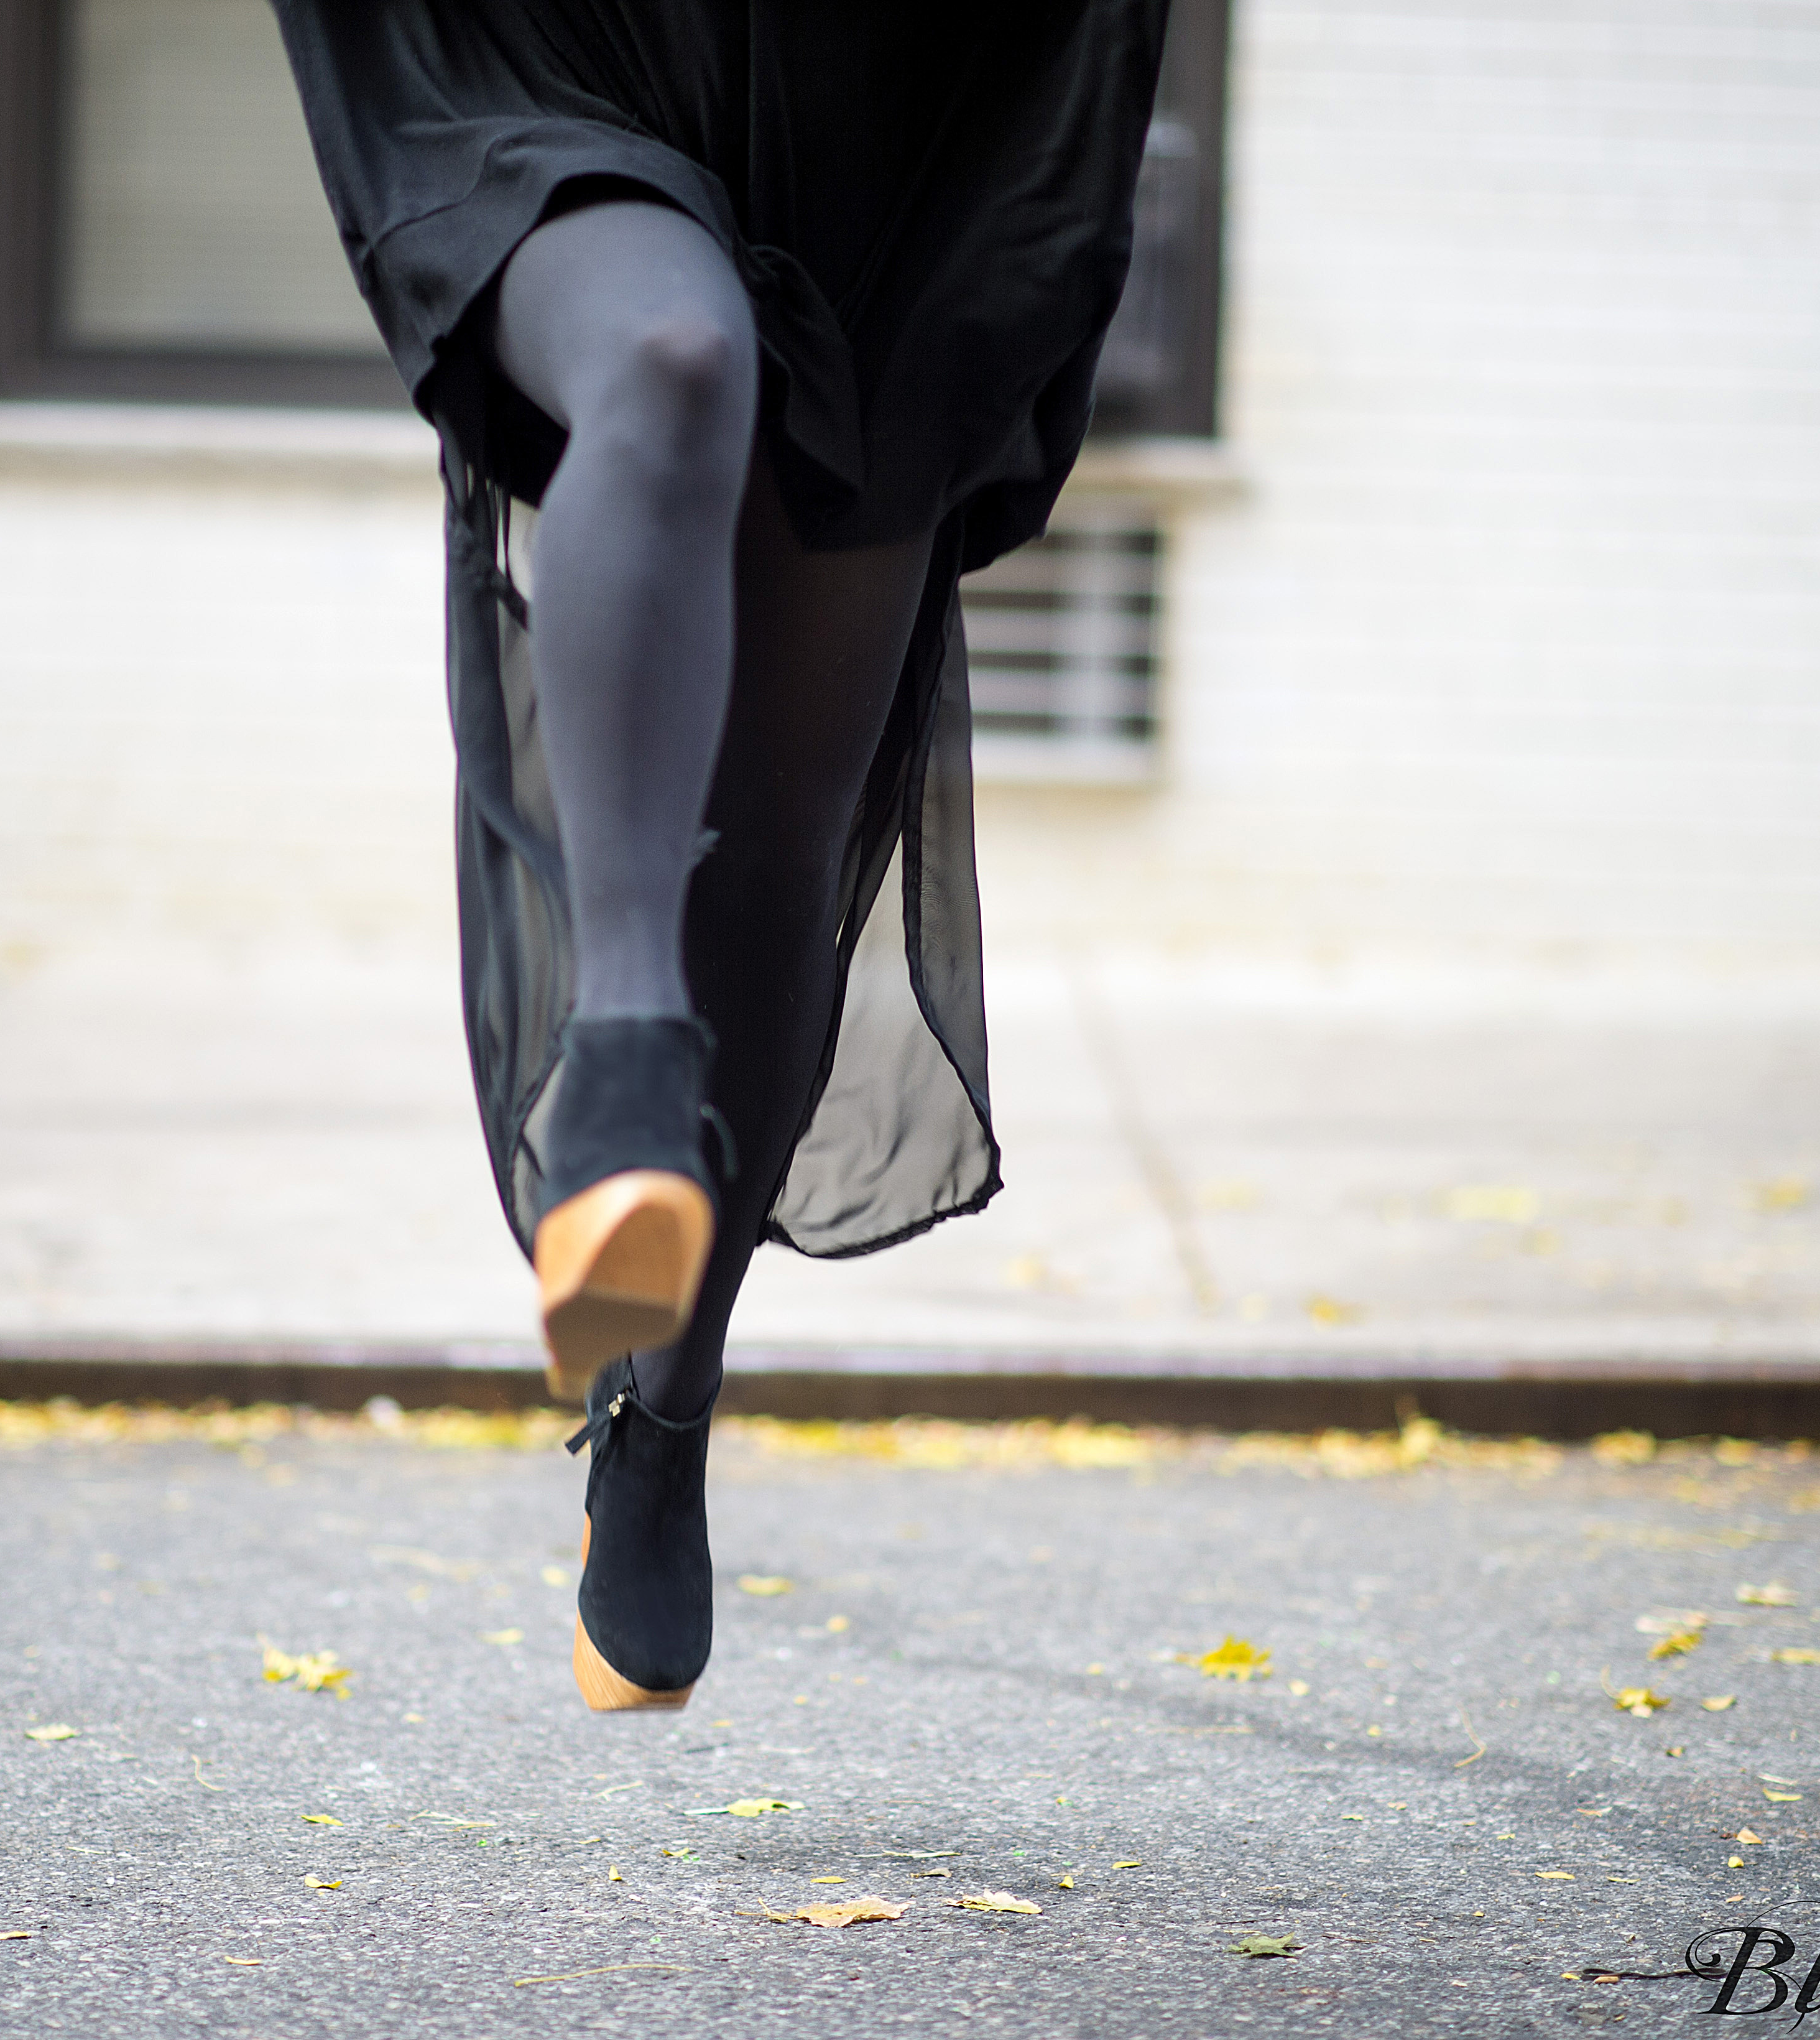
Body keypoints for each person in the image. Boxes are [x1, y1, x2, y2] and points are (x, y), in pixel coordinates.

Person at [270, 1, 1172, 1711]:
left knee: (776, 850)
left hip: (904, 130)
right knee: (670, 356)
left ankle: (667, 1406)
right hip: (562, 48)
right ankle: (624, 1046)